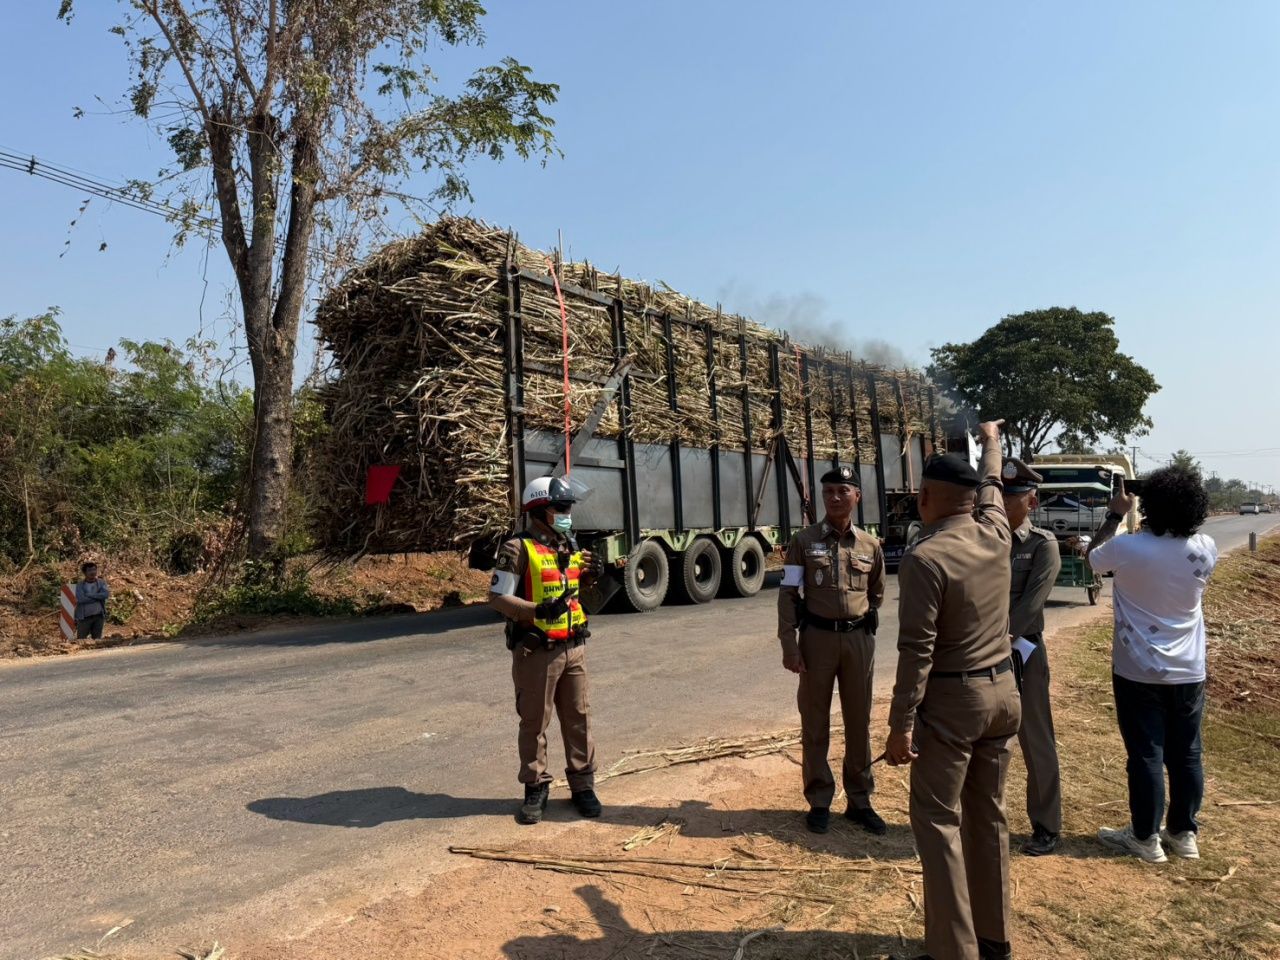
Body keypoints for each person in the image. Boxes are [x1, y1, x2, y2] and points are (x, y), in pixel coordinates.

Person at [884, 421, 1021, 960]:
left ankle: (952, 951)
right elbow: (992, 484)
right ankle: (994, 939)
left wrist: (900, 726)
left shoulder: (926, 558)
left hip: (953, 704)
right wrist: (992, 440)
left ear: (923, 498)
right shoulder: (997, 531)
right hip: (1004, 694)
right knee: (989, 817)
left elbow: (916, 652)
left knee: (939, 823)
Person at [1087, 467, 1216, 864]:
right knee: (1187, 752)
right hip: (1189, 668)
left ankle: (1145, 837)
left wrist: (1115, 513)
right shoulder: (1206, 547)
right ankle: (1183, 833)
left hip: (1138, 668)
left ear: (1149, 506)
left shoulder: (1128, 547)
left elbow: (1092, 558)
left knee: (1146, 753)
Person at [778, 465, 887, 835]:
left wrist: (858, 619)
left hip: (858, 641)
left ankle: (860, 800)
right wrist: (789, 645)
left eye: (843, 490)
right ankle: (819, 800)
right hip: (817, 641)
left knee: (859, 722)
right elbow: (788, 594)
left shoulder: (870, 545)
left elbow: (877, 593)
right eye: (828, 492)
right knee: (815, 722)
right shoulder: (804, 541)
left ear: (857, 496)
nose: (835, 497)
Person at [489, 475, 601, 825]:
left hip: (574, 646)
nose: (568, 514)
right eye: (561, 508)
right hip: (537, 651)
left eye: (568, 507)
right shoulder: (517, 549)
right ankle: (535, 786)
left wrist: (593, 576)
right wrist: (537, 611)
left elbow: (575, 591)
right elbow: (497, 598)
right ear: (539, 511)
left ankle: (583, 785)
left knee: (579, 718)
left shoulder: (569, 544)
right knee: (534, 722)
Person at [1002, 459, 1063, 856]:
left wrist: (997, 641)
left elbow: (1031, 604)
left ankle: (1046, 825)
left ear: (1032, 502)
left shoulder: (1042, 545)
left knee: (1036, 739)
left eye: (1014, 497)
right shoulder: (983, 539)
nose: (1005, 503)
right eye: (1001, 496)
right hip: (981, 652)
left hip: (1023, 652)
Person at [74, 562, 111, 640]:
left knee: (97, 640)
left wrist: (90, 595)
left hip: (98, 616)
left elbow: (105, 595)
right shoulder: (80, 585)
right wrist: (98, 597)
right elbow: (81, 599)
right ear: (85, 573)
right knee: (81, 639)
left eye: (94, 570)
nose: (93, 572)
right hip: (84, 618)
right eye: (90, 570)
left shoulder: (101, 583)